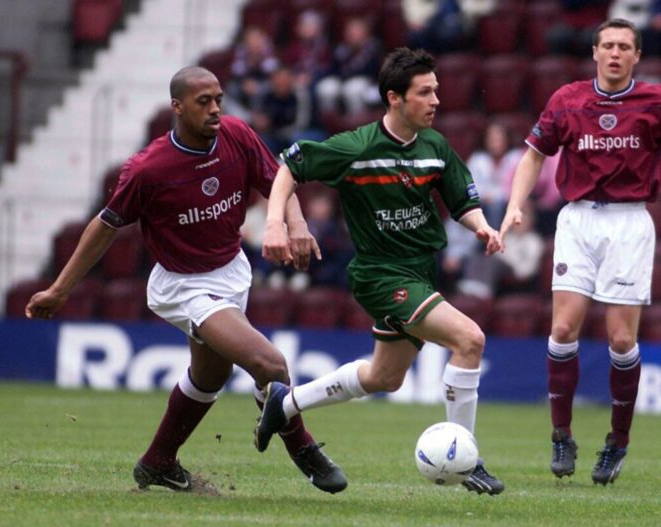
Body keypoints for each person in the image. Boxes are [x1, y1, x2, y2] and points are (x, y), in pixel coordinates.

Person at [25, 66, 348, 495]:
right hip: (184, 286)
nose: (215, 109)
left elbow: (279, 183)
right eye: (203, 102)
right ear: (177, 107)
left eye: (218, 99)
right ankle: (303, 449)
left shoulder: (237, 135)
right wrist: (59, 289)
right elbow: (105, 226)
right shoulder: (149, 169)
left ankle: (157, 461)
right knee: (270, 365)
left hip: (232, 271)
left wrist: (297, 224)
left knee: (210, 376)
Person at [257, 47, 505, 495]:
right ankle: (467, 458)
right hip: (380, 275)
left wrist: (483, 226)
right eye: (424, 92)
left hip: (419, 273)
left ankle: (286, 402)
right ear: (395, 98)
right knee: (470, 340)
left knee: (384, 377)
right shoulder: (356, 147)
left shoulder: (435, 147)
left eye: (437, 91)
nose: (436, 101)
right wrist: (278, 221)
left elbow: (462, 202)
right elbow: (289, 167)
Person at [500, 18, 660, 485]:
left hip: (630, 221)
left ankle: (618, 442)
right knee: (563, 328)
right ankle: (561, 435)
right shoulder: (568, 99)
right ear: (594, 52)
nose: (614, 53)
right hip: (578, 219)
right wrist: (515, 206)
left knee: (622, 341)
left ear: (636, 56)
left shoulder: (653, 102)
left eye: (623, 46)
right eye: (607, 45)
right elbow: (534, 154)